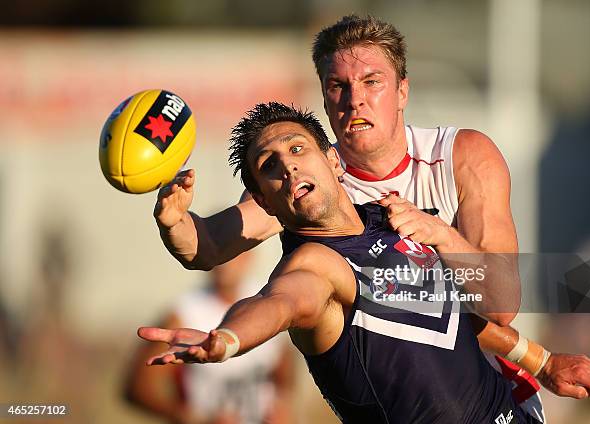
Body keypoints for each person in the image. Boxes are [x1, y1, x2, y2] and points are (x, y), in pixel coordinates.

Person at [152, 15, 590, 417]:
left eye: (372, 81)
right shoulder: (309, 190)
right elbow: (211, 248)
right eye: (339, 86)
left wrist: (441, 238)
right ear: (326, 100)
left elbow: (501, 302)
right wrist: (175, 221)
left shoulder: (462, 158)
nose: (356, 100)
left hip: (492, 394)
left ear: (402, 90)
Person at [140, 104, 544, 423]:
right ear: (262, 200)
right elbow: (279, 302)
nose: (288, 165)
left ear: (334, 162)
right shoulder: (314, 265)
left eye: (297, 148)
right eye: (269, 165)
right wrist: (228, 338)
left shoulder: (390, 218)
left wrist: (543, 361)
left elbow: (446, 314)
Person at [125, 252, 294, 424]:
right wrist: (195, 419)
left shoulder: (268, 302)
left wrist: (281, 405)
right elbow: (138, 387)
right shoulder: (184, 312)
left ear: (250, 254)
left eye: (234, 250)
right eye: (220, 247)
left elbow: (282, 371)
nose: (226, 261)